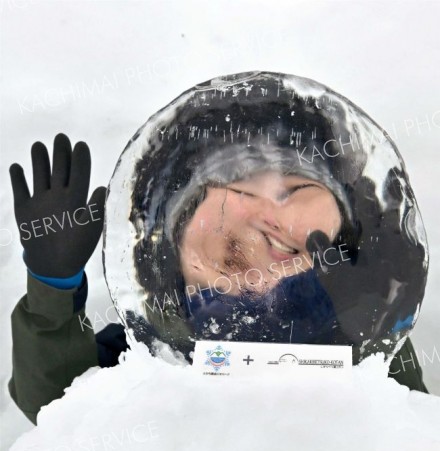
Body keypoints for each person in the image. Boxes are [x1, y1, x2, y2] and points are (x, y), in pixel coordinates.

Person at [8, 131, 428, 425]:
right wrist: (53, 285)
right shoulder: (143, 352)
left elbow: (409, 428)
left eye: (293, 193)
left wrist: (376, 327)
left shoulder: (343, 343)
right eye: (241, 191)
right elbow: (57, 406)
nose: (268, 218)